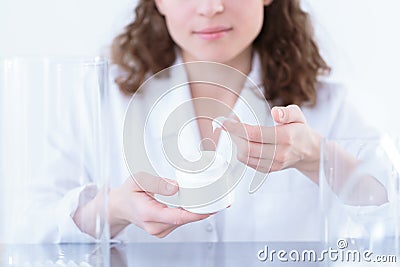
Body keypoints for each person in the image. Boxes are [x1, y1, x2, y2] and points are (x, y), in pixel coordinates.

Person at [17, 0, 388, 243]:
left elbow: (390, 217)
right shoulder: (99, 97)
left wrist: (319, 158)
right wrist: (111, 211)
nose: (210, 7)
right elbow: (28, 230)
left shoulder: (331, 104)